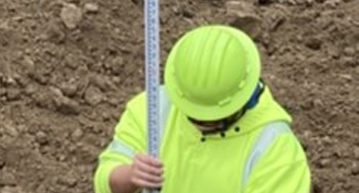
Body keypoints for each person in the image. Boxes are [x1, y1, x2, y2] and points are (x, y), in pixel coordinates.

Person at [94, 25, 311, 193]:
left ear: (242, 99)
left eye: (212, 119)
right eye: (192, 114)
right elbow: (106, 179)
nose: (200, 123)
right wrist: (130, 176)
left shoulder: (275, 149)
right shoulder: (152, 107)